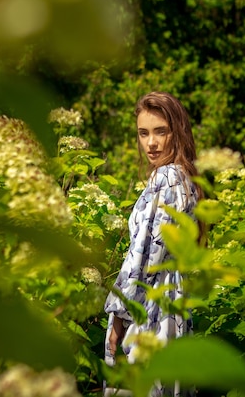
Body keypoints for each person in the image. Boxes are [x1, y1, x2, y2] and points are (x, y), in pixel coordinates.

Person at [103, 91, 201, 397]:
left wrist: (119, 316)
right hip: (175, 303)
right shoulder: (187, 179)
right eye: (143, 133)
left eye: (161, 132)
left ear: (178, 132)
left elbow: (143, 255)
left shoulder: (166, 178)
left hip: (149, 308)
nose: (151, 143)